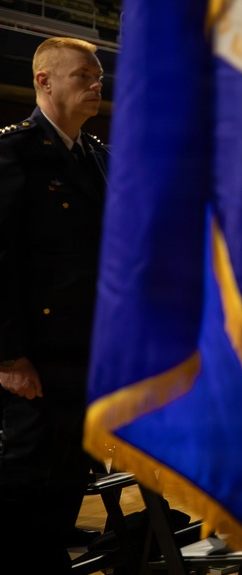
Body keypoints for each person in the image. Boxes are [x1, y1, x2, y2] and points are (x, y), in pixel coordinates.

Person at [0, 37, 109, 573]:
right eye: (83, 75)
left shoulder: (97, 155)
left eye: (98, 77)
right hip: (36, 359)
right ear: (43, 80)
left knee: (67, 481)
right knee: (27, 484)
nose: (96, 84)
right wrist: (8, 356)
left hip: (85, 352)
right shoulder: (12, 153)